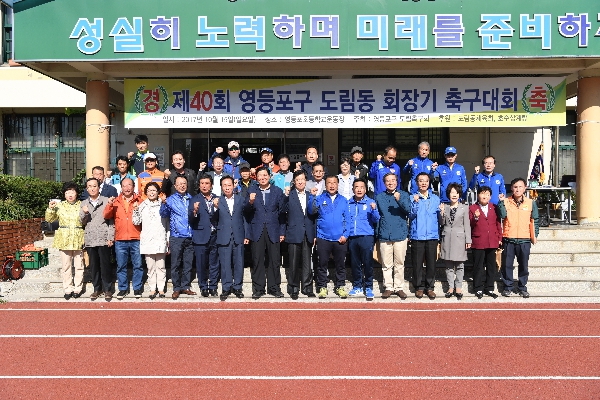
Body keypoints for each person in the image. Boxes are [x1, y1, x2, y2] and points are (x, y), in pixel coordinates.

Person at [243, 167, 286, 299]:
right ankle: (258, 289)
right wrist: (250, 202)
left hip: (274, 229)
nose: (263, 178)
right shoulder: (251, 190)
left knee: (274, 260)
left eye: (265, 175)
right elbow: (245, 211)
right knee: (257, 260)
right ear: (256, 177)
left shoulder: (277, 191)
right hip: (257, 230)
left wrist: (282, 231)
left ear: (269, 176)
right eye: (260, 175)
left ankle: (274, 288)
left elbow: (282, 212)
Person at [308, 175, 350, 299]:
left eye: (334, 183)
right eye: (329, 183)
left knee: (340, 264)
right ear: (325, 185)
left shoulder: (343, 200)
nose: (332, 185)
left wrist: (346, 235)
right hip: (323, 237)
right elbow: (311, 211)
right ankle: (322, 287)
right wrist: (312, 197)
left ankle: (340, 286)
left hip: (340, 239)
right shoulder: (320, 198)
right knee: (322, 264)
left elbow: (348, 219)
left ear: (338, 185)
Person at [497, 177, 539, 298]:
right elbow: (502, 215)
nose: (518, 189)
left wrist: (534, 234)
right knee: (507, 265)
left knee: (523, 265)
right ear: (511, 188)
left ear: (525, 188)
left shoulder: (531, 203)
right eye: (515, 187)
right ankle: (508, 287)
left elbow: (535, 220)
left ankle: (522, 287)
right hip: (509, 238)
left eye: (520, 187)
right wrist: (500, 202)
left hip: (524, 239)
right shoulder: (505, 201)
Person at [103, 178, 143, 300]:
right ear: (121, 187)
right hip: (120, 239)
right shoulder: (115, 201)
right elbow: (106, 215)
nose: (127, 188)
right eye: (124, 186)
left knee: (138, 265)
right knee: (121, 266)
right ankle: (123, 288)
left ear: (133, 186)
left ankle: (137, 288)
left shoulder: (140, 201)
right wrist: (109, 204)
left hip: (136, 237)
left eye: (129, 185)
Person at [45, 181, 85, 300]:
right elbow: (49, 219)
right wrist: (50, 209)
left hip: (78, 236)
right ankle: (68, 288)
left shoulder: (82, 204)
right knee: (66, 266)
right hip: (64, 238)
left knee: (79, 265)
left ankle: (77, 288)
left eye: (72, 191)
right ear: (64, 194)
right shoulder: (59, 205)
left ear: (76, 193)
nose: (70, 194)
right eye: (67, 192)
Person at [376, 172, 411, 299]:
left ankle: (399, 287)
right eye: (387, 181)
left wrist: (399, 199)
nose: (390, 183)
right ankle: (388, 287)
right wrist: (377, 234)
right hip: (385, 235)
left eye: (393, 180)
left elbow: (408, 210)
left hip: (400, 234)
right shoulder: (379, 197)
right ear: (384, 183)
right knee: (386, 264)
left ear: (397, 182)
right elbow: (377, 216)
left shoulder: (404, 194)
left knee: (399, 263)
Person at [79, 177, 115, 301]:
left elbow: (111, 221)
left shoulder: (106, 201)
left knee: (105, 265)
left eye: (94, 186)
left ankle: (107, 289)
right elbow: (82, 222)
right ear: (86, 189)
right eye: (89, 186)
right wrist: (85, 213)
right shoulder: (83, 203)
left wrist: (111, 237)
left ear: (99, 187)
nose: (92, 188)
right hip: (90, 238)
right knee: (93, 265)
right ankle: (97, 288)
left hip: (104, 238)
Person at [160, 175, 195, 300]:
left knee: (188, 263)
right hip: (176, 236)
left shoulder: (192, 199)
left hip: (190, 236)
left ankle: (186, 286)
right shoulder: (170, 199)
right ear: (175, 186)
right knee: (175, 264)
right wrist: (163, 204)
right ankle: (176, 288)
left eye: (184, 183)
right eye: (179, 183)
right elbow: (163, 214)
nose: (182, 185)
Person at [132, 182, 169, 300]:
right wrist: (136, 210)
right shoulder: (142, 205)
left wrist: (168, 240)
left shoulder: (163, 205)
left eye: (154, 190)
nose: (152, 192)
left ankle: (161, 288)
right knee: (151, 267)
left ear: (158, 192)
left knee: (161, 266)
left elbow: (167, 224)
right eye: (149, 191)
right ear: (146, 193)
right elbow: (136, 222)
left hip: (160, 239)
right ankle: (153, 288)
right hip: (147, 240)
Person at [409, 172, 442, 300]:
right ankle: (418, 287)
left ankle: (430, 287)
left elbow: (440, 219)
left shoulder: (435, 198)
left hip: (432, 235)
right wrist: (416, 203)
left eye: (426, 181)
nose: (423, 183)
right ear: (417, 183)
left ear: (429, 183)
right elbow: (410, 216)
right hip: (417, 235)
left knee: (431, 263)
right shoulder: (412, 198)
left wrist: (442, 213)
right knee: (417, 263)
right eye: (421, 181)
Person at [214, 176, 248, 300]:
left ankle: (238, 287)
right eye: (224, 185)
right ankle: (226, 288)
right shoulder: (218, 201)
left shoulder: (241, 199)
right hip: (223, 236)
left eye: (229, 185)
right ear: (221, 187)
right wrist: (214, 208)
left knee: (239, 263)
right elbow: (213, 218)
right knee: (225, 263)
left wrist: (246, 234)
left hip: (238, 235)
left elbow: (245, 218)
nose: (227, 187)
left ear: (234, 186)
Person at [284, 170, 316, 299]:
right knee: (293, 262)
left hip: (307, 232)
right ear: (294, 182)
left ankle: (307, 288)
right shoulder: (289, 195)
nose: (300, 182)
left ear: (306, 181)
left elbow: (314, 215)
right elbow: (282, 210)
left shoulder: (310, 195)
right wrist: (285, 196)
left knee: (307, 262)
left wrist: (314, 234)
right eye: (298, 180)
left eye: (302, 179)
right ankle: (293, 288)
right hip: (293, 232)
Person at [347, 179, 380, 301]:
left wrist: (374, 210)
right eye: (357, 187)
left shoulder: (371, 202)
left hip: (366, 236)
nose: (359, 189)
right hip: (352, 237)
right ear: (353, 189)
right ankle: (357, 286)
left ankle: (369, 287)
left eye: (362, 187)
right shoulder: (348, 203)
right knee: (355, 263)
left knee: (367, 263)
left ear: (365, 190)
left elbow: (376, 220)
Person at [188, 173, 220, 297]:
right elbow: (191, 220)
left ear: (211, 185)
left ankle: (213, 286)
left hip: (215, 235)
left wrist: (217, 208)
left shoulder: (217, 198)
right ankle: (203, 286)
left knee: (214, 263)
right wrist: (194, 211)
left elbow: (220, 217)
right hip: (200, 236)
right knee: (201, 264)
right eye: (202, 183)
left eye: (207, 183)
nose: (204, 186)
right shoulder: (194, 199)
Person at [469, 186, 503, 299]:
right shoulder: (473, 208)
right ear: (478, 195)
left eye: (487, 194)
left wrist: (499, 237)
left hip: (492, 240)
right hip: (478, 240)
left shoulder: (494, 207)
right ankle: (478, 288)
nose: (485, 196)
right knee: (478, 266)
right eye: (483, 194)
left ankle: (489, 288)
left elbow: (498, 223)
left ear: (490, 196)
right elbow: (470, 225)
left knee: (491, 266)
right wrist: (476, 218)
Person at [439, 183, 471, 300]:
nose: (454, 195)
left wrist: (468, 239)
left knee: (460, 265)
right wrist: (441, 213)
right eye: (452, 192)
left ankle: (458, 287)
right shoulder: (445, 207)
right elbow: (442, 223)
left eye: (456, 193)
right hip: (447, 238)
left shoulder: (464, 207)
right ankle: (450, 287)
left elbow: (467, 225)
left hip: (460, 239)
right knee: (448, 266)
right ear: (448, 194)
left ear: (459, 194)